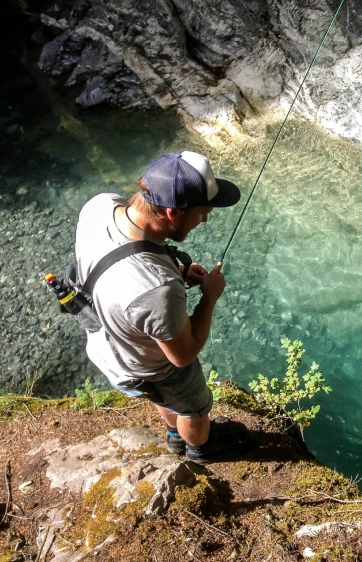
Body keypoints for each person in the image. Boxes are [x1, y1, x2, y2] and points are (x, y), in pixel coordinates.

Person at [74, 150, 246, 464]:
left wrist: (175, 272)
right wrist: (209, 297)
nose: (205, 219)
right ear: (172, 213)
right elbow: (183, 355)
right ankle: (201, 452)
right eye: (202, 213)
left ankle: (174, 436)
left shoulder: (99, 206)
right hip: (151, 368)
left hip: (110, 349)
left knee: (162, 395)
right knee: (193, 406)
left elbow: (123, 270)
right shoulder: (156, 289)